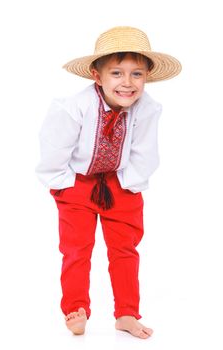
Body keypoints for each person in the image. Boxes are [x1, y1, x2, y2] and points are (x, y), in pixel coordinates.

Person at [36, 26, 181, 339]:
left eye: (136, 74)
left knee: (125, 248)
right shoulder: (73, 108)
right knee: (76, 248)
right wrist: (61, 183)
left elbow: (145, 152)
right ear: (97, 76)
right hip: (78, 182)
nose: (127, 83)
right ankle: (76, 307)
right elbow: (54, 147)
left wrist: (130, 184)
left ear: (147, 77)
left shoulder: (148, 109)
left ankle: (126, 313)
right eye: (116, 73)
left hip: (120, 183)